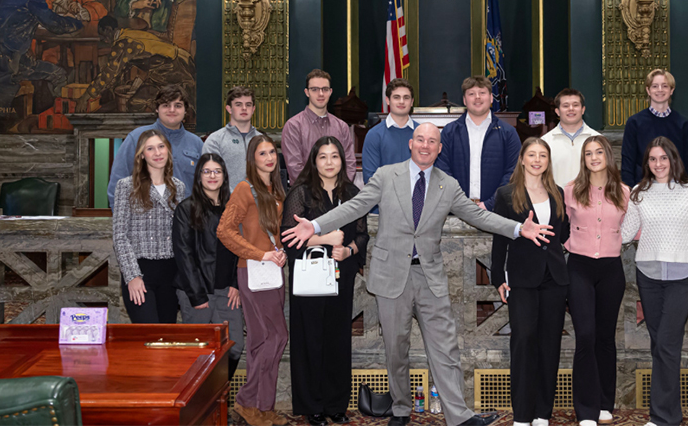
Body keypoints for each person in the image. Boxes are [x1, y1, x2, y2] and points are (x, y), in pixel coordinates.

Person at [282, 122, 553, 426]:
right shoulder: (386, 176)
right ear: (411, 144)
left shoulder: (447, 184)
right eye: (420, 140)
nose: (425, 145)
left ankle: (459, 417)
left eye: (432, 142)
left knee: (445, 348)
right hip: (389, 276)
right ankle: (400, 409)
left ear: (439, 148)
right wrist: (315, 226)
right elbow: (355, 207)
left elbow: (479, 216)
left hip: (430, 277)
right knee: (396, 350)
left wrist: (518, 228)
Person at [281, 137, 369, 426]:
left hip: (340, 277)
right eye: (323, 157)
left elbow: (362, 234)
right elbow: (289, 237)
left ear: (343, 161)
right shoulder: (301, 193)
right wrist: (325, 239)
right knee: (309, 341)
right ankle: (312, 406)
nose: (329, 162)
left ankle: (336, 404)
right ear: (313, 161)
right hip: (309, 279)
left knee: (338, 340)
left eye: (335, 156)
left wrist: (349, 250)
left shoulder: (353, 192)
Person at [620, 137, 688, 426]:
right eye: (652, 159)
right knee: (659, 344)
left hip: (683, 275)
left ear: (673, 159)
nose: (658, 164)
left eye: (663, 158)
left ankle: (663, 418)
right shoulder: (638, 192)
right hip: (649, 275)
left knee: (667, 344)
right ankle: (670, 414)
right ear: (647, 163)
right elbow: (625, 233)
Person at [490, 138, 570, 426]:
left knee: (550, 345)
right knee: (523, 341)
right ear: (522, 159)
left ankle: (541, 413)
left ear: (548, 161)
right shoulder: (506, 194)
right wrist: (497, 276)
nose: (537, 160)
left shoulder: (557, 192)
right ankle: (523, 415)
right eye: (532, 154)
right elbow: (500, 237)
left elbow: (563, 233)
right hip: (522, 279)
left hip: (554, 278)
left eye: (543, 156)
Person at [217, 135, 290, 426]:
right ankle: (248, 401)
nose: (269, 157)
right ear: (252, 158)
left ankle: (263, 406)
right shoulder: (244, 189)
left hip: (273, 271)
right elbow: (224, 231)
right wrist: (258, 253)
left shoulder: (276, 188)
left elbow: (272, 232)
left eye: (272, 151)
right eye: (262, 153)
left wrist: (278, 252)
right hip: (252, 270)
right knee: (277, 336)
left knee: (262, 339)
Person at [563, 134, 629, 426]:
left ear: (607, 155)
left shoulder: (624, 192)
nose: (593, 157)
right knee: (585, 337)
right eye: (588, 153)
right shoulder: (569, 191)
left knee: (605, 338)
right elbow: (559, 227)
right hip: (579, 268)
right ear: (583, 159)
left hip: (612, 270)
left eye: (598, 152)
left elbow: (633, 228)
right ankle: (586, 409)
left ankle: (605, 403)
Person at [172, 153, 243, 379]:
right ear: (199, 176)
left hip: (226, 291)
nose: (212, 176)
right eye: (207, 171)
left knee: (235, 346)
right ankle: (200, 409)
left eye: (217, 171)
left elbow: (241, 248)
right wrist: (197, 295)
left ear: (224, 175)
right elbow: (183, 254)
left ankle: (217, 401)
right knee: (197, 352)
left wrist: (236, 284)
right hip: (197, 292)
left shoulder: (234, 207)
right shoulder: (186, 208)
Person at [112, 129, 186, 323]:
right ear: (142, 155)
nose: (157, 153)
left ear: (168, 151)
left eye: (161, 147)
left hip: (170, 271)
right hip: (141, 269)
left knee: (167, 336)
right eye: (150, 149)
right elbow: (120, 236)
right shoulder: (127, 186)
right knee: (148, 335)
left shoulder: (178, 187)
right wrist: (132, 276)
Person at [75, 16, 197, 114]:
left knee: (135, 103)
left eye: (102, 35)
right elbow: (126, 67)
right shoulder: (128, 34)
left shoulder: (123, 44)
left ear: (108, 30)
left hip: (174, 68)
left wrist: (86, 96)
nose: (103, 39)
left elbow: (109, 73)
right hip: (178, 62)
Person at [436, 75, 522, 210]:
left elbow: (513, 172)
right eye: (471, 94)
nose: (477, 97)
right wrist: (459, 202)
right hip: (455, 209)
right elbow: (442, 170)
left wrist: (490, 204)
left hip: (497, 212)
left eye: (482, 93)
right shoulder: (449, 132)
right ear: (464, 100)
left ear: (491, 98)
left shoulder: (508, 133)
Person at [108, 84, 204, 205]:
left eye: (178, 105)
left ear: (186, 110)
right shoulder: (136, 138)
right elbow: (117, 183)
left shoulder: (196, 144)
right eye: (166, 105)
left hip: (187, 219)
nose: (172, 110)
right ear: (157, 109)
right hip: (145, 218)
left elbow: (205, 187)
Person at [621, 69, 688, 185]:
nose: (660, 90)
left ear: (672, 90)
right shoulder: (634, 123)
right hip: (644, 188)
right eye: (655, 86)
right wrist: (630, 191)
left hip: (677, 188)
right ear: (648, 90)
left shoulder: (684, 124)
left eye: (665, 86)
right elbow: (628, 161)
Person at [281, 69, 357, 183]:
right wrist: (322, 190)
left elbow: (349, 164)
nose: (321, 94)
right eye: (315, 89)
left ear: (330, 91)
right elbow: (295, 168)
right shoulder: (293, 126)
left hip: (337, 195)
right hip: (305, 196)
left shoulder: (342, 127)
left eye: (325, 89)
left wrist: (337, 190)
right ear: (307, 92)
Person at [204, 86, 264, 191]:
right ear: (229, 109)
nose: (244, 108)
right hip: (226, 203)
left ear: (253, 109)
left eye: (248, 105)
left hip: (259, 203)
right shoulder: (215, 140)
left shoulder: (262, 140)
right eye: (238, 104)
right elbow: (210, 177)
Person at [361, 77, 417, 187]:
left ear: (412, 102)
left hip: (418, 200)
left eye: (406, 98)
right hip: (384, 202)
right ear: (387, 100)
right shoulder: (374, 135)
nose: (401, 101)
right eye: (396, 97)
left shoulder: (422, 133)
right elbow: (370, 179)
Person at [543, 88, 601, 187]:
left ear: (583, 110)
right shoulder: (545, 142)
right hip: (557, 199)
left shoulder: (598, 140)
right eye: (565, 106)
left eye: (575, 105)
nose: (571, 109)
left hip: (589, 200)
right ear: (557, 111)